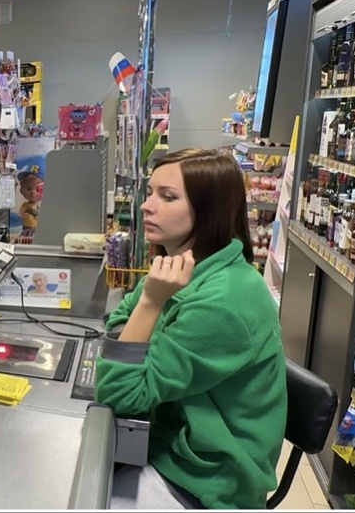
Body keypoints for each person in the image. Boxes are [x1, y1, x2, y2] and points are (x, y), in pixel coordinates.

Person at [94, 148, 287, 510]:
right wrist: (142, 310)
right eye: (150, 193)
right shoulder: (184, 263)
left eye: (167, 197)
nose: (146, 206)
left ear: (208, 210)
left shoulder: (224, 303)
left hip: (202, 481)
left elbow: (118, 393)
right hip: (166, 445)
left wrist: (150, 303)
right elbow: (119, 317)